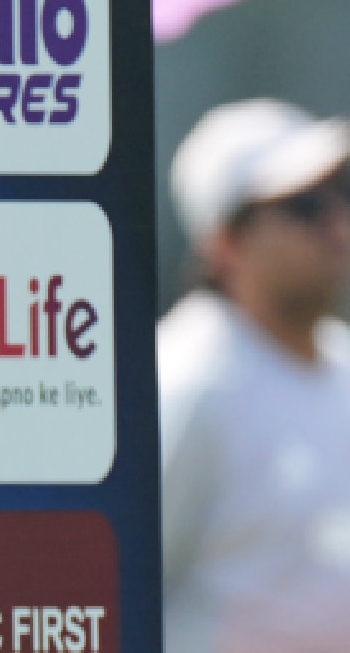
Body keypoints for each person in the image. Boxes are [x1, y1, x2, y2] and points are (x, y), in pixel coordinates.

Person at [161, 98, 350, 652]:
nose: (335, 224)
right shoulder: (186, 380)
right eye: (304, 207)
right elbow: (130, 580)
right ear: (225, 244)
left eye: (341, 193)